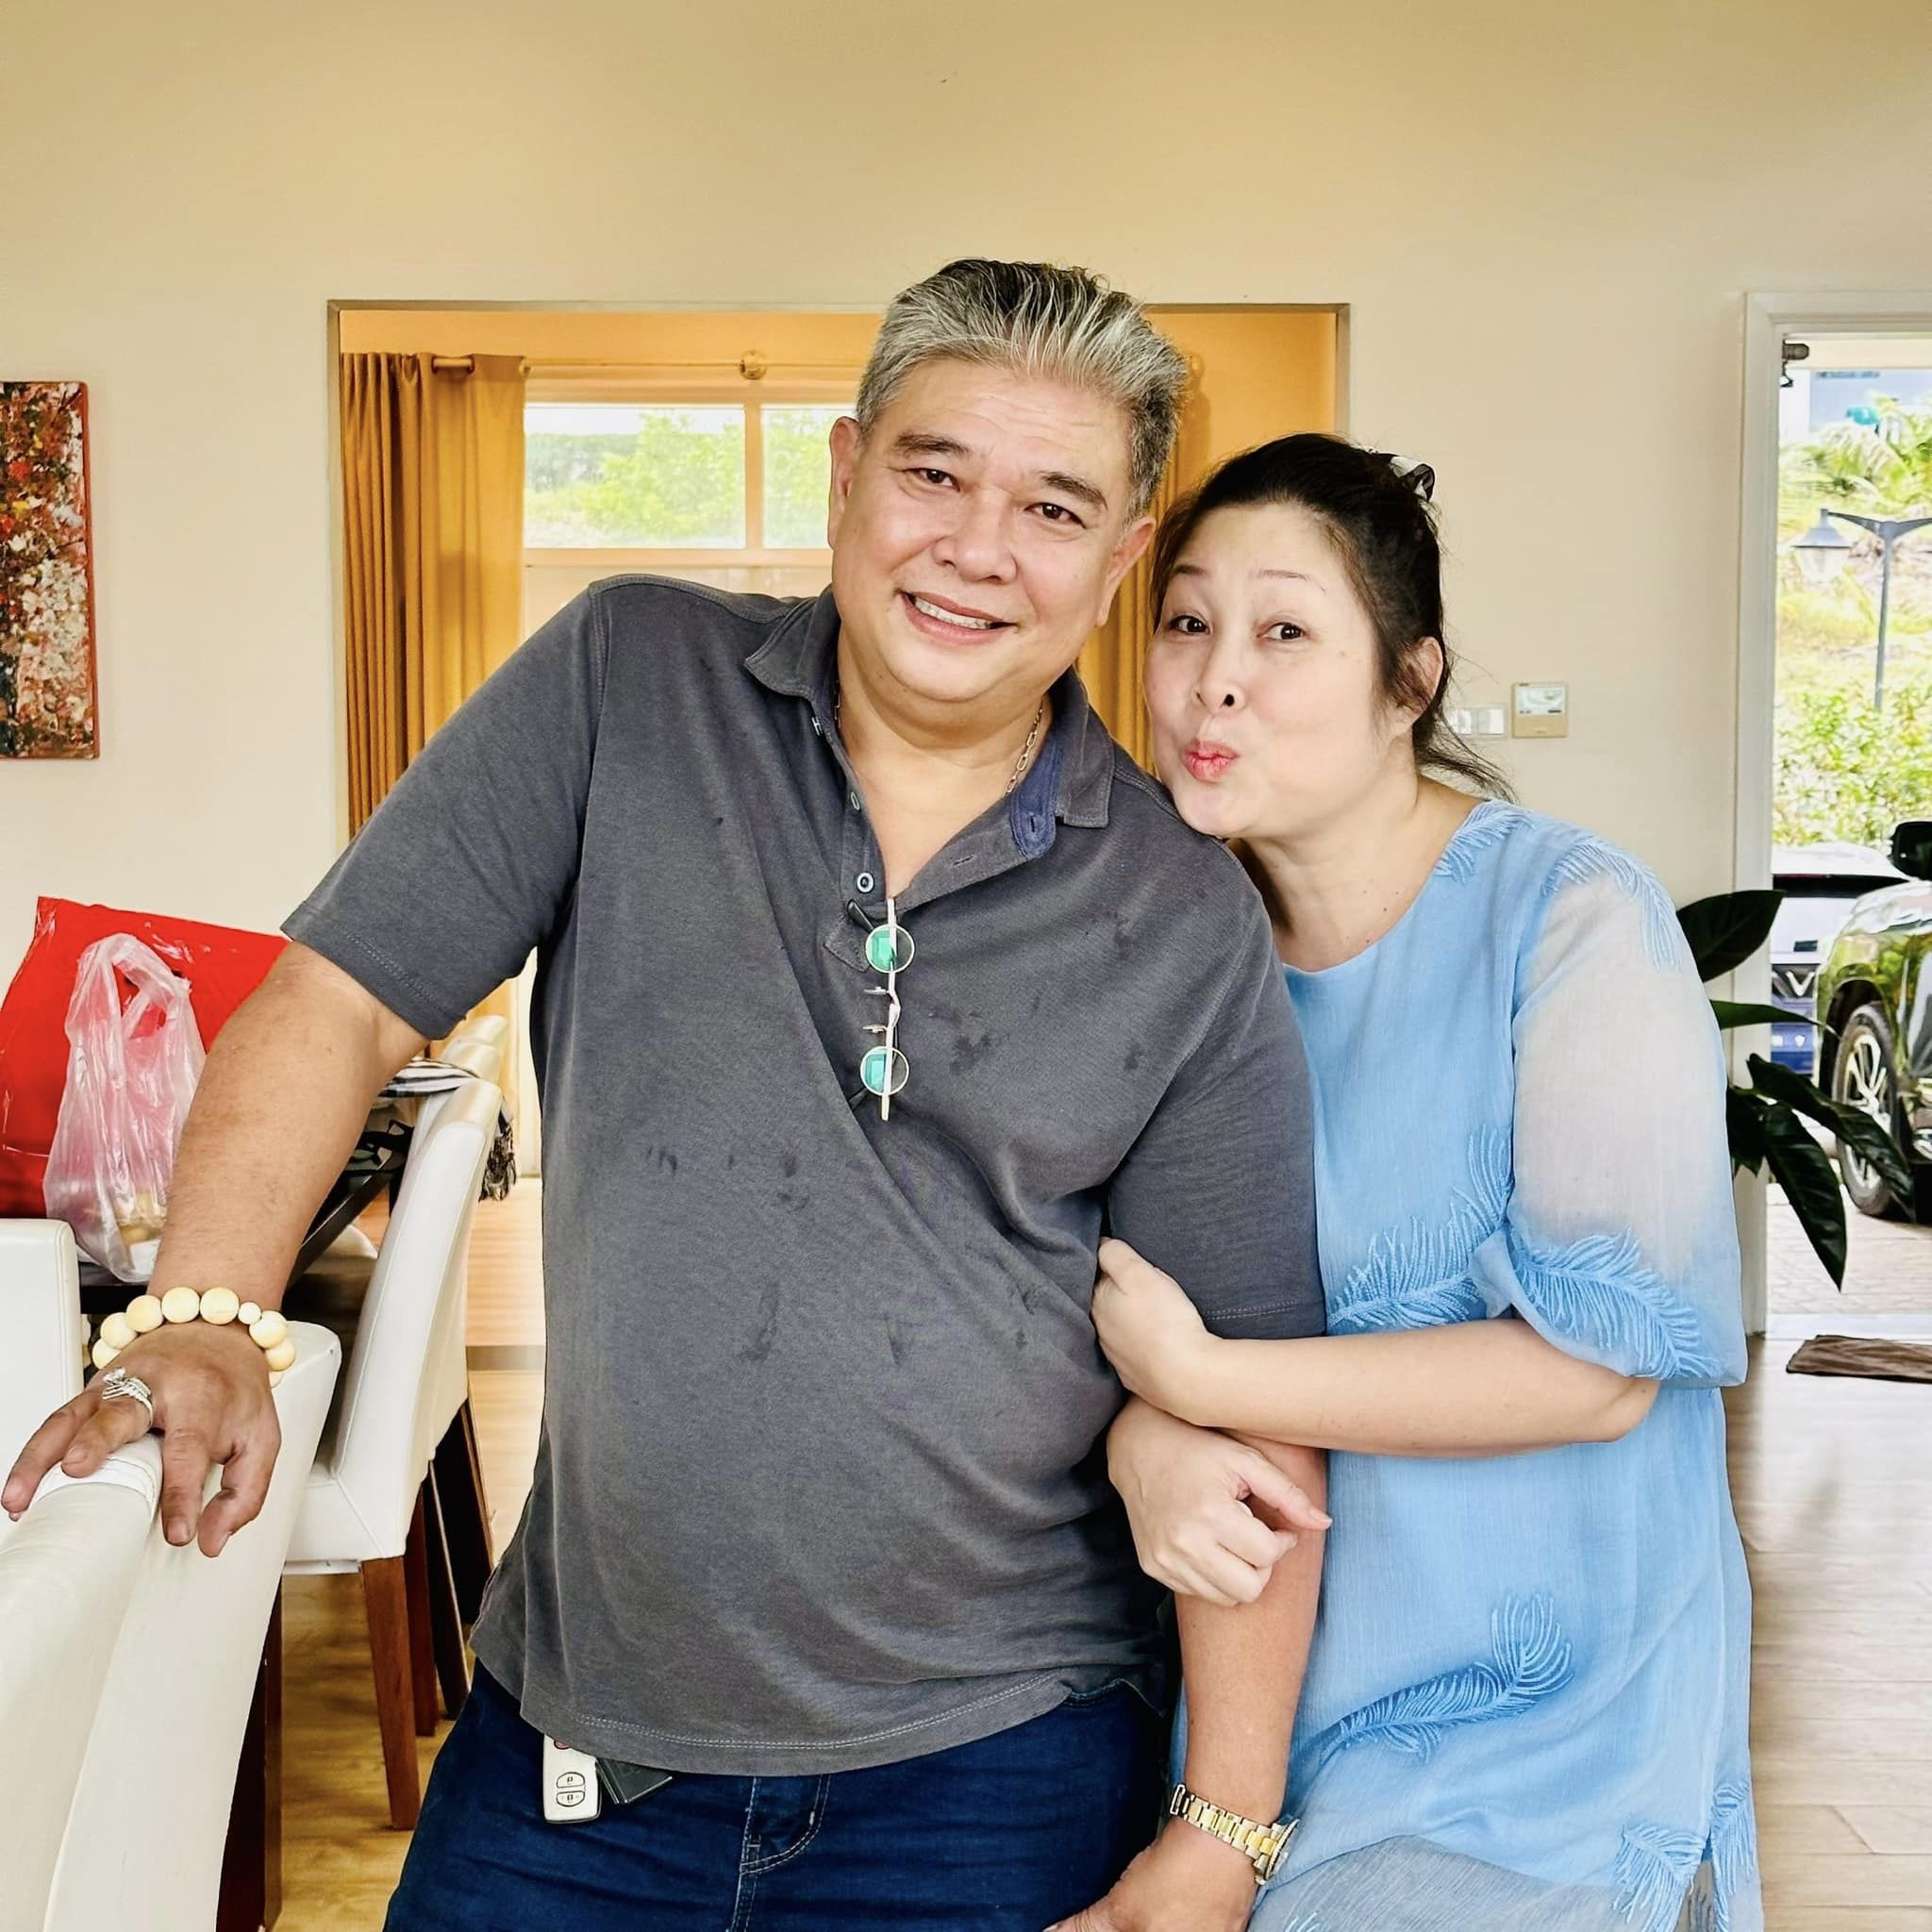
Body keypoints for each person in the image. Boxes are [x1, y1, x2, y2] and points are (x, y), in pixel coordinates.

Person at [6, 263, 1332, 1932]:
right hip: (581, 1756)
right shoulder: (629, 675)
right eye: (933, 471)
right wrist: (204, 1314)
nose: (978, 546)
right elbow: (340, 998)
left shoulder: (1182, 911)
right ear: (845, 473)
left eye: (1053, 508)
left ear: (1122, 557)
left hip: (999, 1770)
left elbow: (1256, 1408)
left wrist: (1224, 1835)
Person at [1093, 434, 1758, 1932]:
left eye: (1284, 632)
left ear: (1411, 683)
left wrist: (1201, 1379)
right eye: (1188, 622)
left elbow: (1597, 1376)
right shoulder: (1172, 952)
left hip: (1558, 1746)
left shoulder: (1574, 918)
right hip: (1267, 1716)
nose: (1214, 683)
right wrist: (1147, 1432)